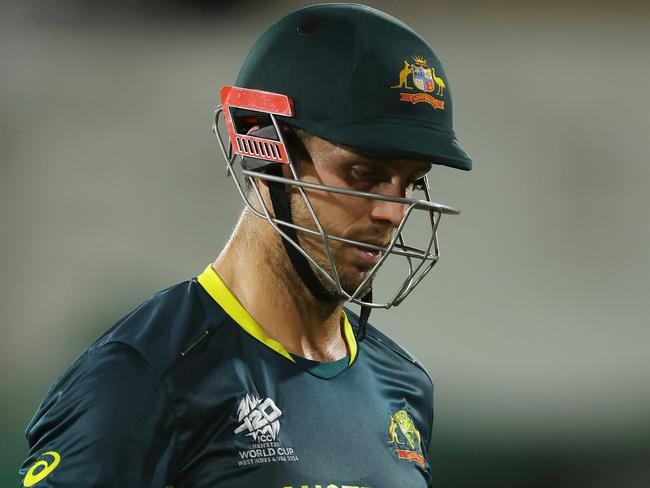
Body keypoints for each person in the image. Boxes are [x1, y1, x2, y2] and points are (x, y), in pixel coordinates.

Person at [18, 4, 472, 487]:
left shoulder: (403, 387)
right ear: (264, 150)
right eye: (362, 173)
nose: (392, 212)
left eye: (410, 182)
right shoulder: (144, 376)